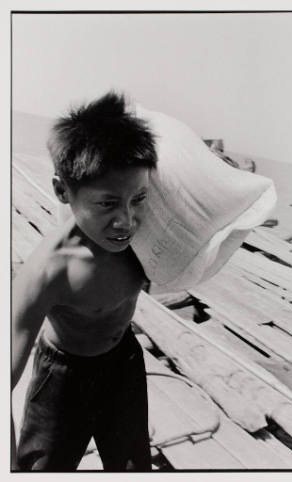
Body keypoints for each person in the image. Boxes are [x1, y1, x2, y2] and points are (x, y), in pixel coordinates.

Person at [11, 91, 158, 471]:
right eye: (107, 204)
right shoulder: (49, 270)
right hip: (63, 380)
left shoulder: (146, 232)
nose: (126, 221)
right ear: (62, 191)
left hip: (123, 362)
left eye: (138, 199)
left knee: (132, 467)